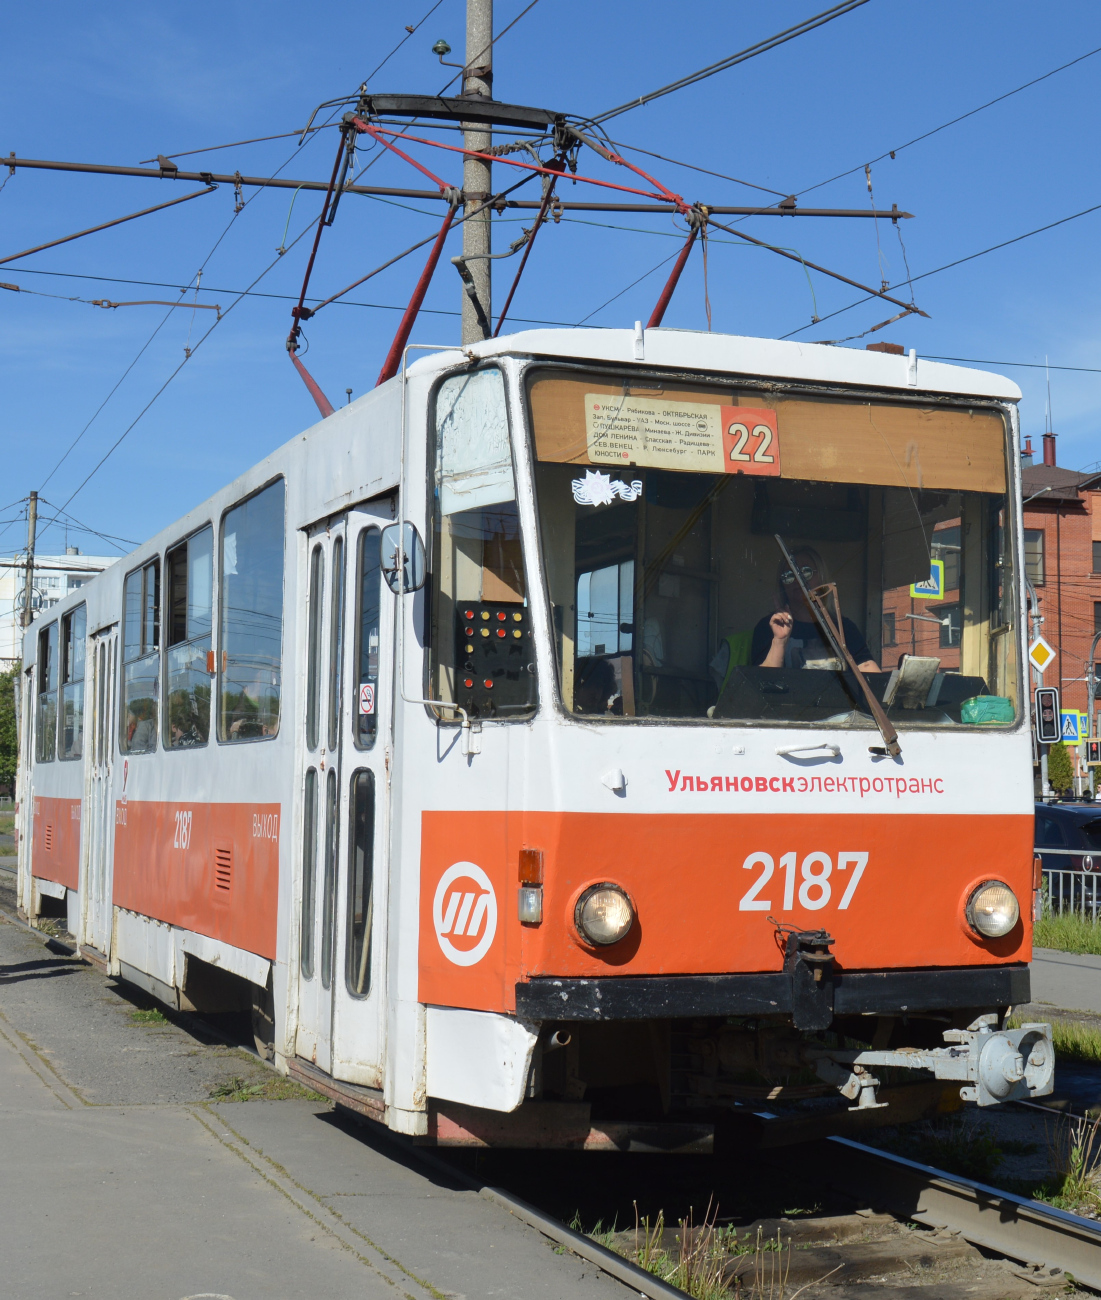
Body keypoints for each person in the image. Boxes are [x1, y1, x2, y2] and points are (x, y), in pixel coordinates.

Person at [750, 547, 880, 673]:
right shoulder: (770, 627)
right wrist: (779, 641)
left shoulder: (843, 628)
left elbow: (869, 674)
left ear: (821, 577)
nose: (797, 579)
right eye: (788, 575)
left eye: (806, 572)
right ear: (782, 585)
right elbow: (762, 682)